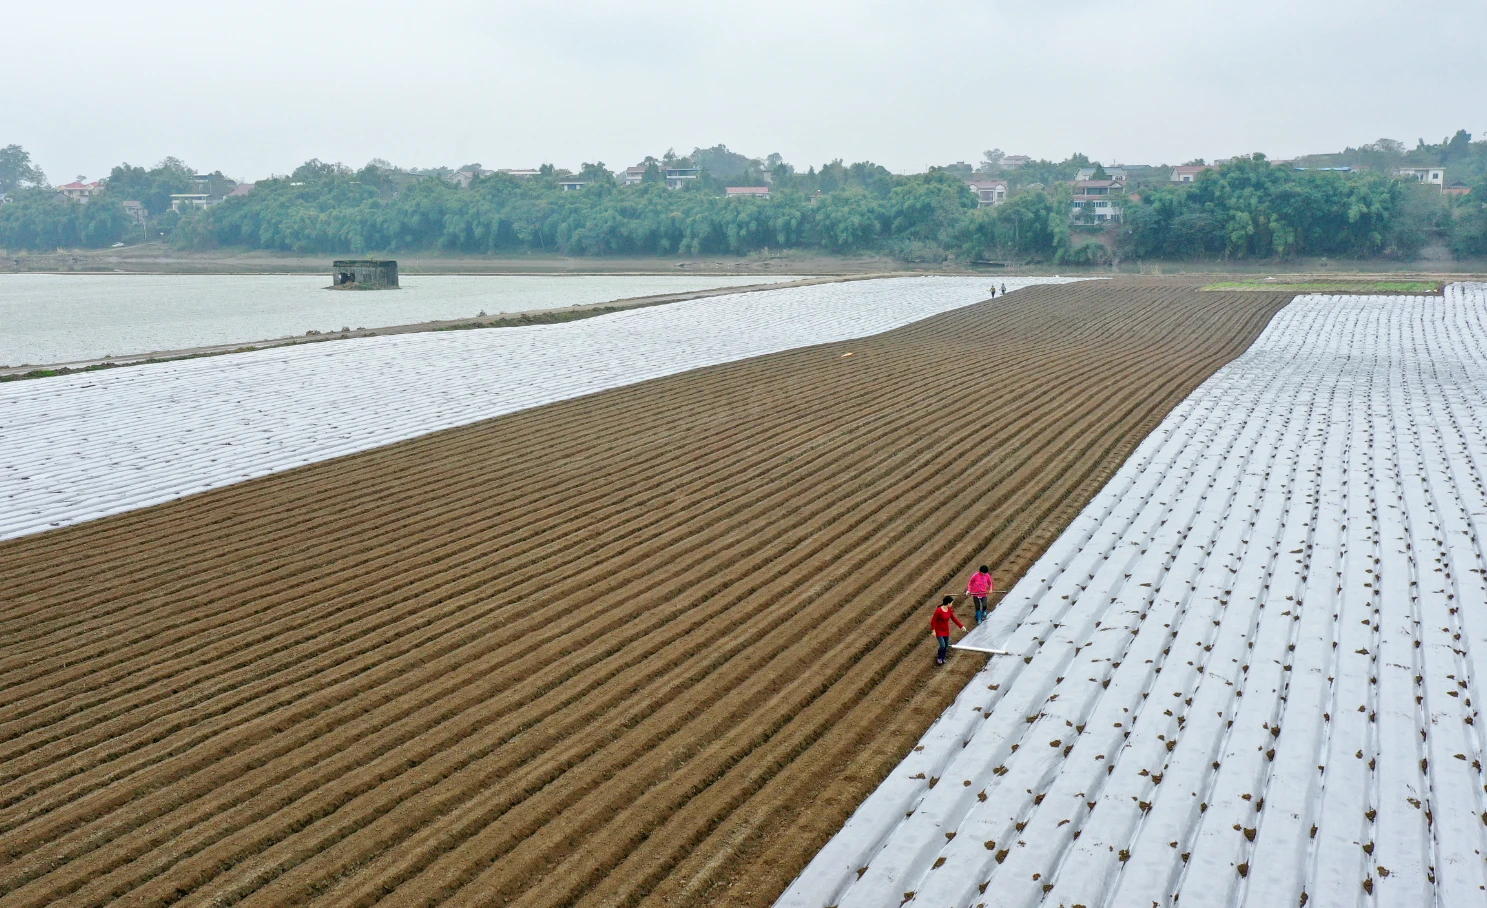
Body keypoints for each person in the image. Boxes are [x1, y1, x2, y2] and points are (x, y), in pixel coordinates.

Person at [931, 595, 965, 665]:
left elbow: (954, 618)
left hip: (946, 630)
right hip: (939, 630)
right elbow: (933, 621)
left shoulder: (949, 610)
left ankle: (943, 658)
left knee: (946, 645)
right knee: (942, 645)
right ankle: (939, 657)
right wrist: (933, 631)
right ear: (948, 603)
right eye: (951, 603)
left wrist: (961, 626)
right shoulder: (939, 611)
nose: (952, 604)